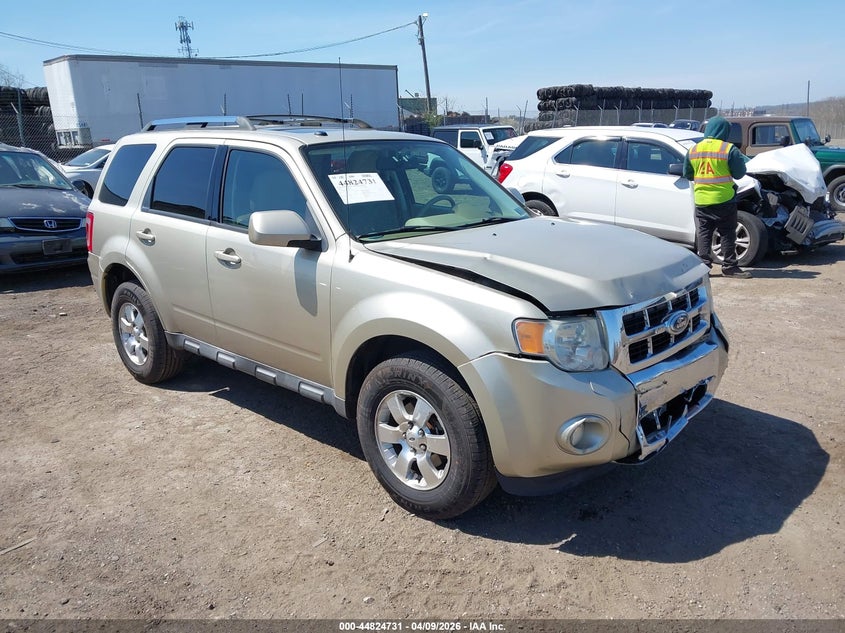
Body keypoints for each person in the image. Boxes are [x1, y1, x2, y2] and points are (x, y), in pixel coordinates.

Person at [683, 116, 752, 278]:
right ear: (724, 131)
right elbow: (740, 173)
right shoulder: (728, 149)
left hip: (701, 200)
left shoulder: (693, 150)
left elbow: (687, 174)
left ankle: (704, 267)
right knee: (727, 233)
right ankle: (729, 266)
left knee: (704, 233)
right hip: (724, 199)